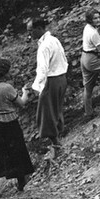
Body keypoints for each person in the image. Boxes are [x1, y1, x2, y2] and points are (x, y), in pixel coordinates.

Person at [0, 58, 35, 199]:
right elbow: (21, 103)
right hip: (10, 124)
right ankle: (21, 183)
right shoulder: (7, 88)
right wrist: (25, 92)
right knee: (17, 151)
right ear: (5, 72)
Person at [28, 17, 68, 148]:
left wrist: (37, 86)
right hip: (61, 78)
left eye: (31, 31)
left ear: (39, 28)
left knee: (47, 112)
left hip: (52, 80)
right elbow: (64, 58)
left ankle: (55, 141)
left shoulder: (44, 46)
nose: (30, 34)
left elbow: (42, 69)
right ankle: (58, 136)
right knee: (56, 108)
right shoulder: (54, 40)